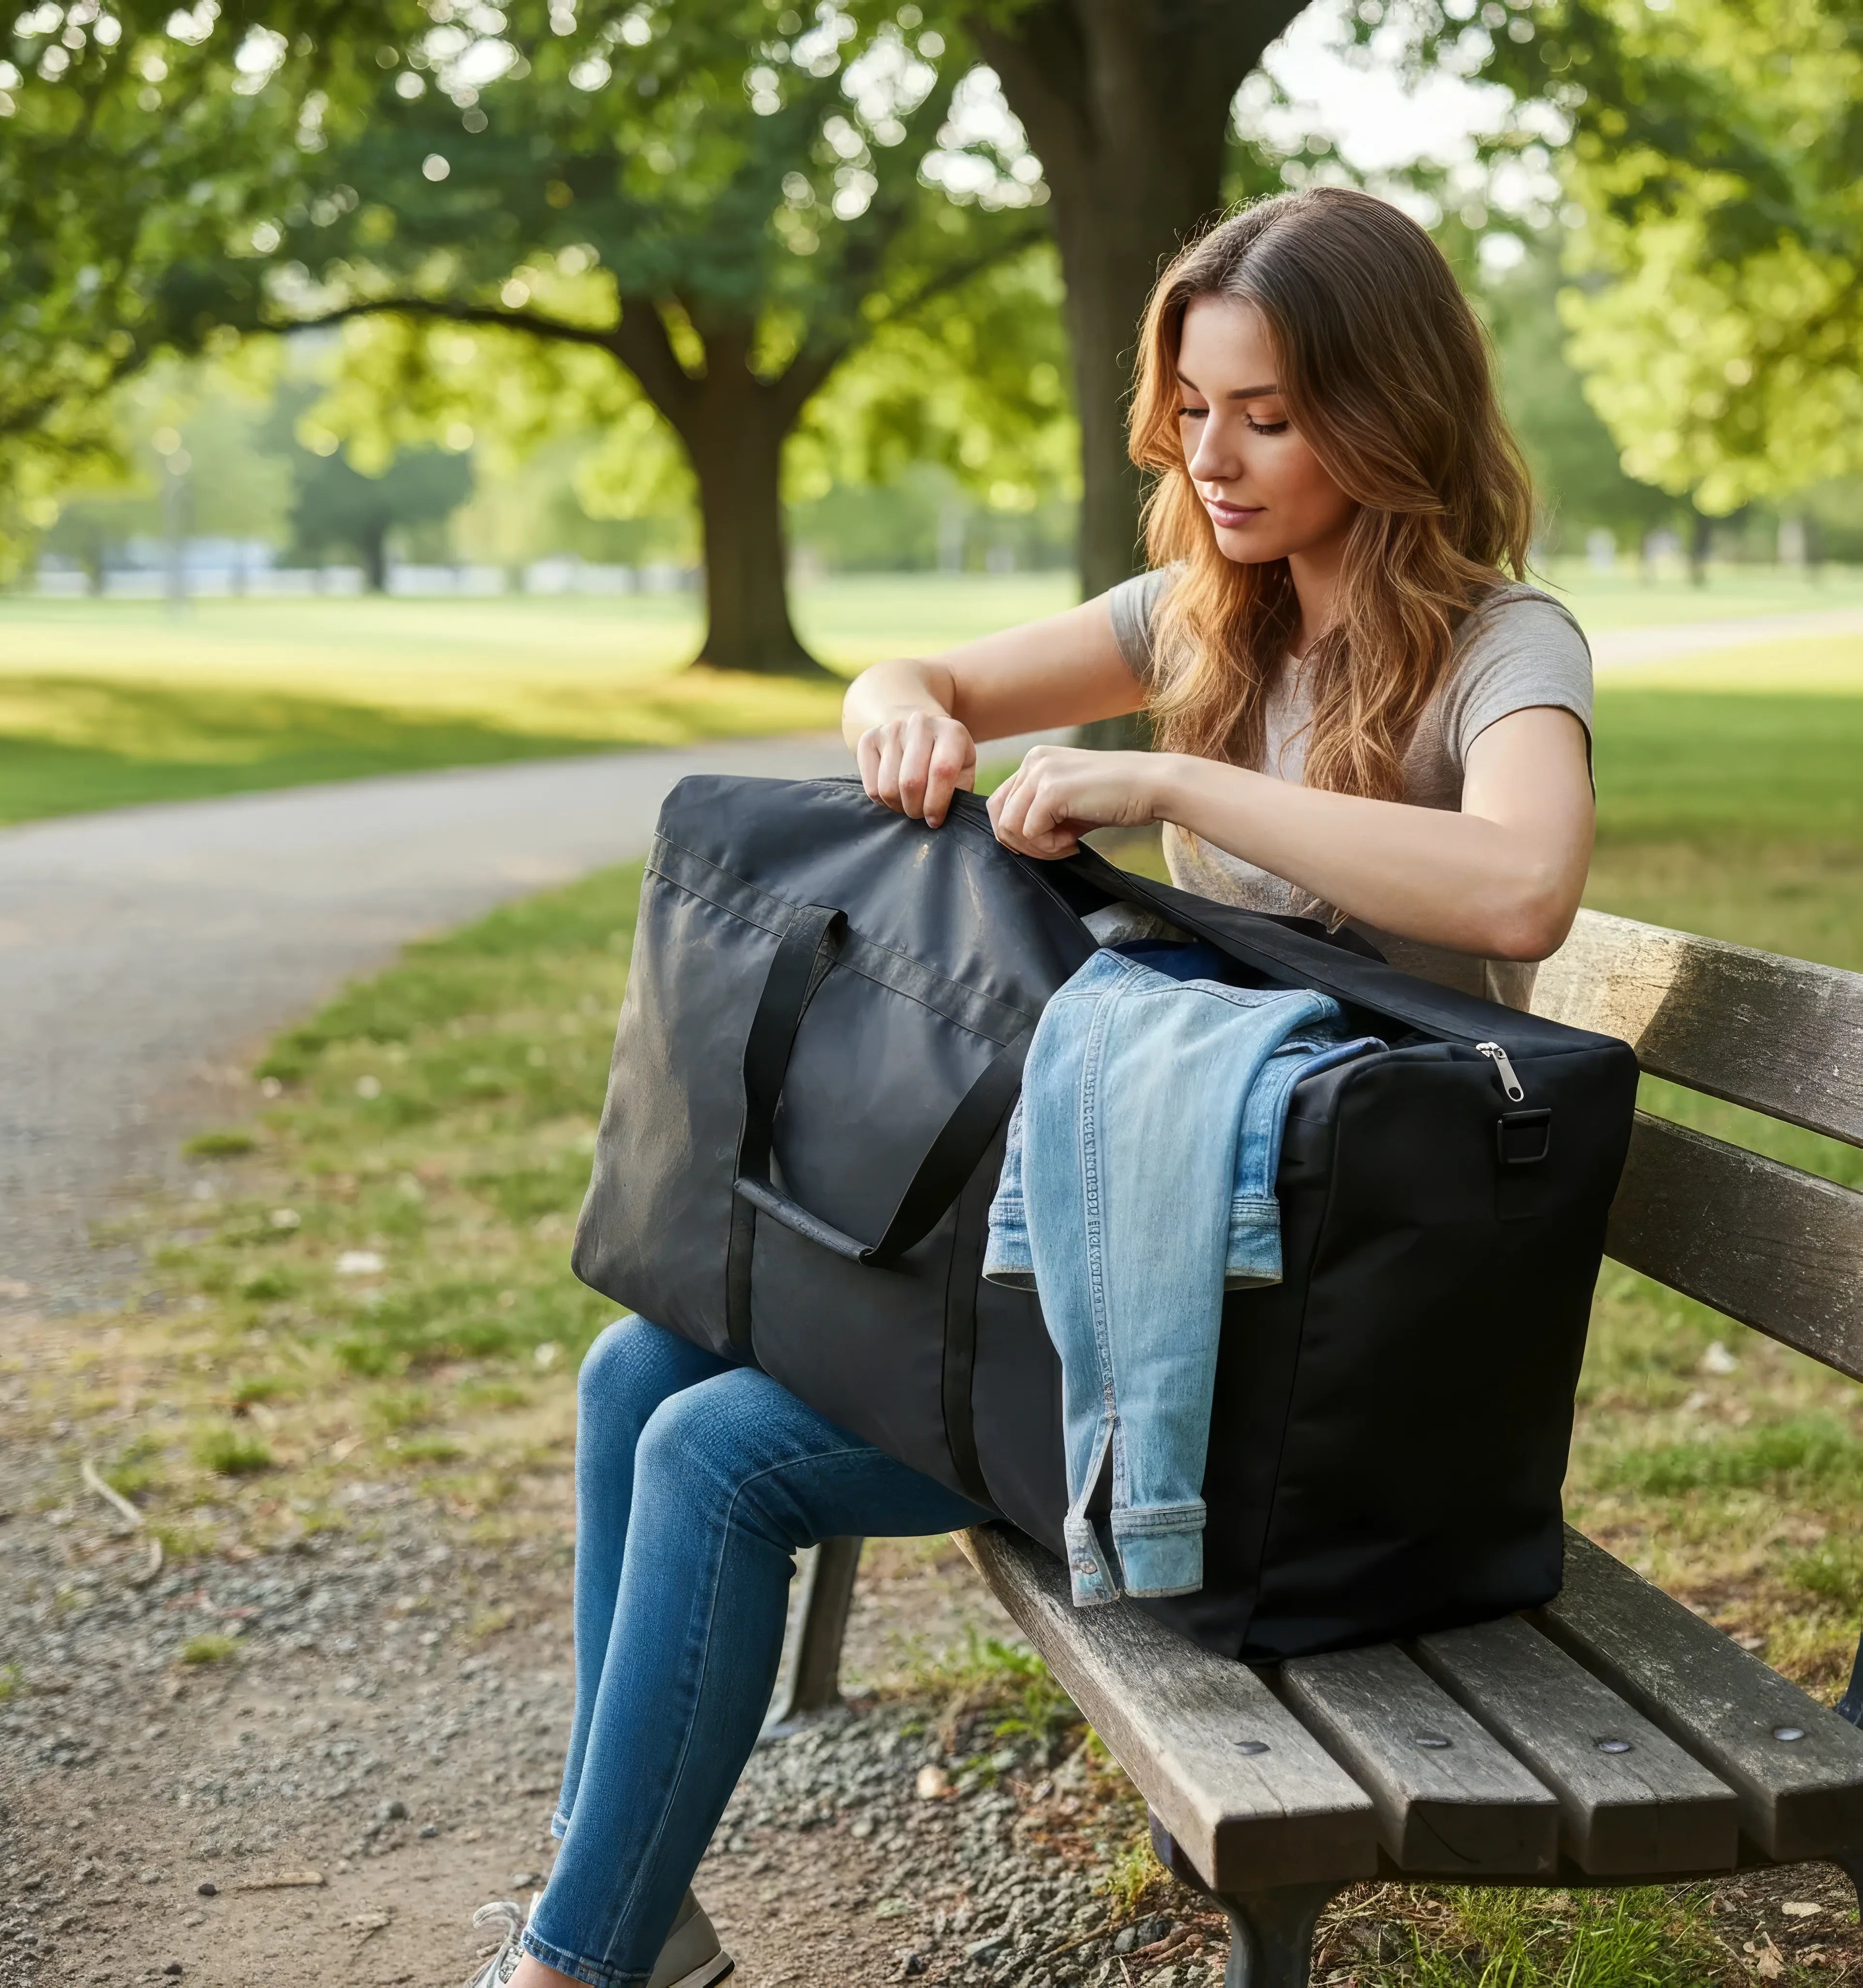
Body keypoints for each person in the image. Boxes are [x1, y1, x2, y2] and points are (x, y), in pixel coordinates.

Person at [462, 184, 1594, 1988]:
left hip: (1287, 1340)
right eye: (1197, 408)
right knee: (634, 1369)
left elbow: (1523, 885)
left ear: (1392, 413)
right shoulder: (1200, 613)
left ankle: (570, 1967)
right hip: (1133, 1228)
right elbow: (912, 672)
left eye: (1272, 417)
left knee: (721, 1457)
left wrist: (1175, 789)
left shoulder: (1504, 650)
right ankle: (627, 1913)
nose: (1214, 458)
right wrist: (897, 714)